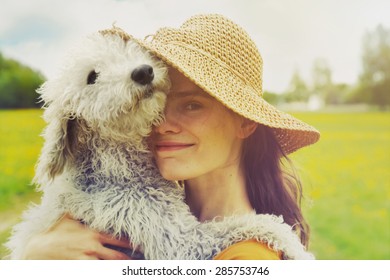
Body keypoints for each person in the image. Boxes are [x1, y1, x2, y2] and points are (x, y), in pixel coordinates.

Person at [19, 14, 320, 260]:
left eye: (192, 105)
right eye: (159, 102)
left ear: (245, 123)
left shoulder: (248, 258)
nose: (161, 124)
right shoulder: (140, 207)